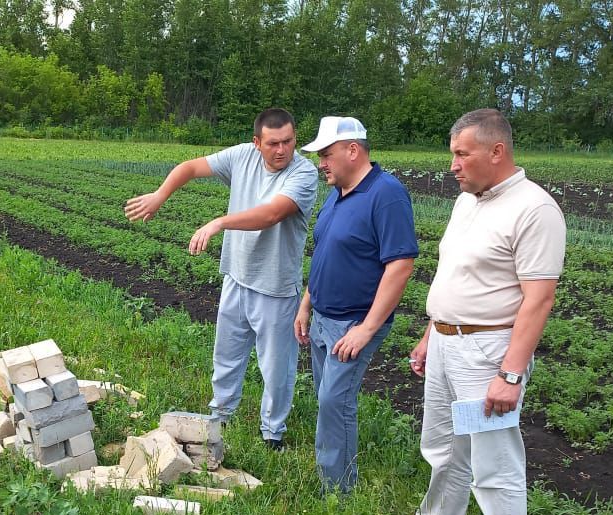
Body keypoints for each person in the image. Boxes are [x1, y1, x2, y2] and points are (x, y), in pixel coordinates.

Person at [410, 109, 566, 515]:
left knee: (494, 467)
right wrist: (430, 333)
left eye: (462, 154)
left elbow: (538, 298)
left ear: (497, 152)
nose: (453, 165)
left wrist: (511, 373)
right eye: (452, 154)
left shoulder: (534, 209)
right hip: (446, 343)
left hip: (488, 354)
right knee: (443, 450)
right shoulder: (467, 203)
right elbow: (456, 276)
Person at [124, 109, 318, 449]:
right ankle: (221, 416)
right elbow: (190, 167)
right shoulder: (242, 155)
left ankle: (273, 433)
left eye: (288, 141)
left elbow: (272, 214)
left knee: (276, 368)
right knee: (226, 354)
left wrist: (219, 222)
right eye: (273, 143)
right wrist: (159, 195)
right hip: (237, 277)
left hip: (275, 287)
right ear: (257, 142)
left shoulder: (303, 173)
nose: (282, 150)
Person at [292, 116, 418, 493]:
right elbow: (325, 252)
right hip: (323, 315)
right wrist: (306, 304)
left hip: (355, 321)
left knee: (334, 401)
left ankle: (337, 493)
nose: (321, 164)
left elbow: (400, 265)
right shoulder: (338, 194)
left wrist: (365, 328)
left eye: (327, 154)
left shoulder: (387, 194)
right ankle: (332, 472)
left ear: (353, 150)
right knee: (325, 397)